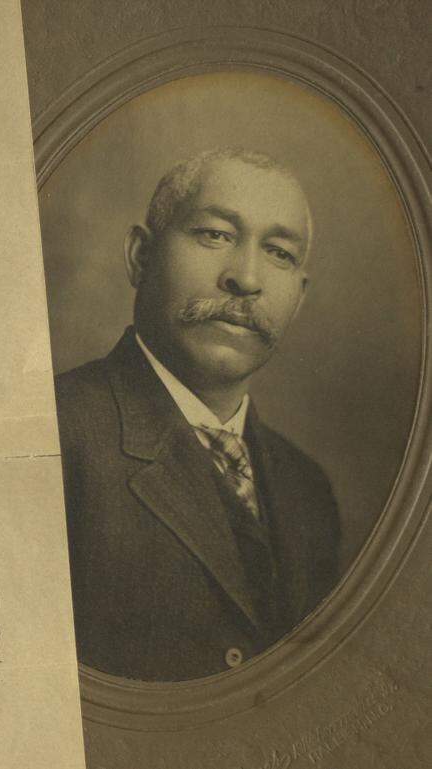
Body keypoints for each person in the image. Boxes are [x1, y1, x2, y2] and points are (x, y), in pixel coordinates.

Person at [55, 148, 340, 681]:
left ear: (298, 299)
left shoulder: (309, 489)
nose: (246, 278)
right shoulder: (55, 439)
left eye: (279, 252)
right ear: (141, 256)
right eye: (215, 235)